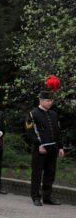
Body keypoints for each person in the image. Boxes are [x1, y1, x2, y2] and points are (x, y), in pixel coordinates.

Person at [26, 75, 65, 206]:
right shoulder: (33, 113)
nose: (50, 103)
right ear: (41, 101)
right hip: (40, 148)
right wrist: (38, 144)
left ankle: (47, 197)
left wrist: (60, 147)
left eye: (51, 101)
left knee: (50, 173)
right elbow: (30, 131)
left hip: (52, 148)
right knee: (37, 174)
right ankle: (35, 197)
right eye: (48, 101)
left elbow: (57, 131)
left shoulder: (53, 114)